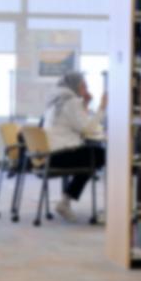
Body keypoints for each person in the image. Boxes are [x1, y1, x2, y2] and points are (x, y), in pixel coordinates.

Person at [42, 71, 106, 222]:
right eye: (84, 85)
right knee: (101, 155)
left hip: (49, 155)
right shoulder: (71, 101)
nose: (87, 88)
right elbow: (87, 129)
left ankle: (65, 200)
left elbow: (76, 124)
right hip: (62, 154)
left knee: (93, 157)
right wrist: (102, 108)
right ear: (75, 86)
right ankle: (66, 201)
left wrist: (85, 104)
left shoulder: (57, 99)